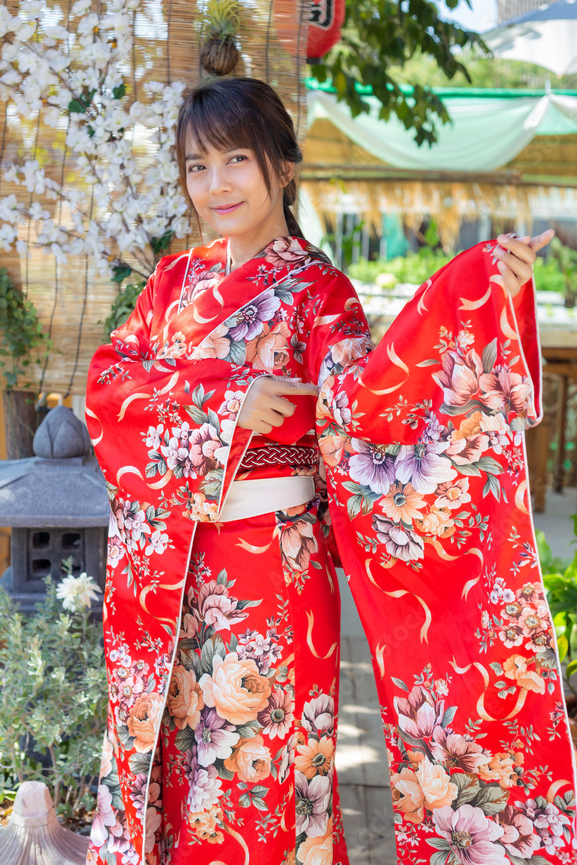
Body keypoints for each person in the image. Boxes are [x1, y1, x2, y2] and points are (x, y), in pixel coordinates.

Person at [84, 77, 575, 865]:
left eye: (235, 160)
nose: (215, 185)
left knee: (264, 776)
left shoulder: (320, 292)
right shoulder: (172, 285)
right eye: (195, 166)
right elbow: (108, 387)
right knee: (168, 772)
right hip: (163, 571)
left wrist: (461, 294)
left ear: (282, 166)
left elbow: (370, 406)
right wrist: (228, 401)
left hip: (270, 572)